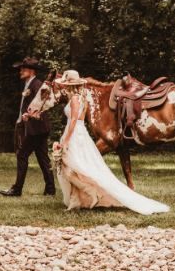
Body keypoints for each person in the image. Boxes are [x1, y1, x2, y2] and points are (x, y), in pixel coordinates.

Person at [52, 70, 168, 215]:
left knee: (71, 169)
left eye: (64, 85)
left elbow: (75, 120)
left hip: (75, 135)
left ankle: (91, 192)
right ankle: (78, 200)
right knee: (76, 167)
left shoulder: (75, 99)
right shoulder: (82, 98)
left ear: (69, 85)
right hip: (79, 134)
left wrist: (66, 140)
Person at [0, 57, 55, 197]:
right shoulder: (30, 85)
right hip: (38, 128)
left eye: (23, 69)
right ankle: (50, 189)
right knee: (43, 159)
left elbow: (43, 105)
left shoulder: (37, 85)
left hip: (36, 128)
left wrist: (28, 116)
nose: (21, 71)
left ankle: (17, 190)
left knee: (22, 155)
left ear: (32, 71)